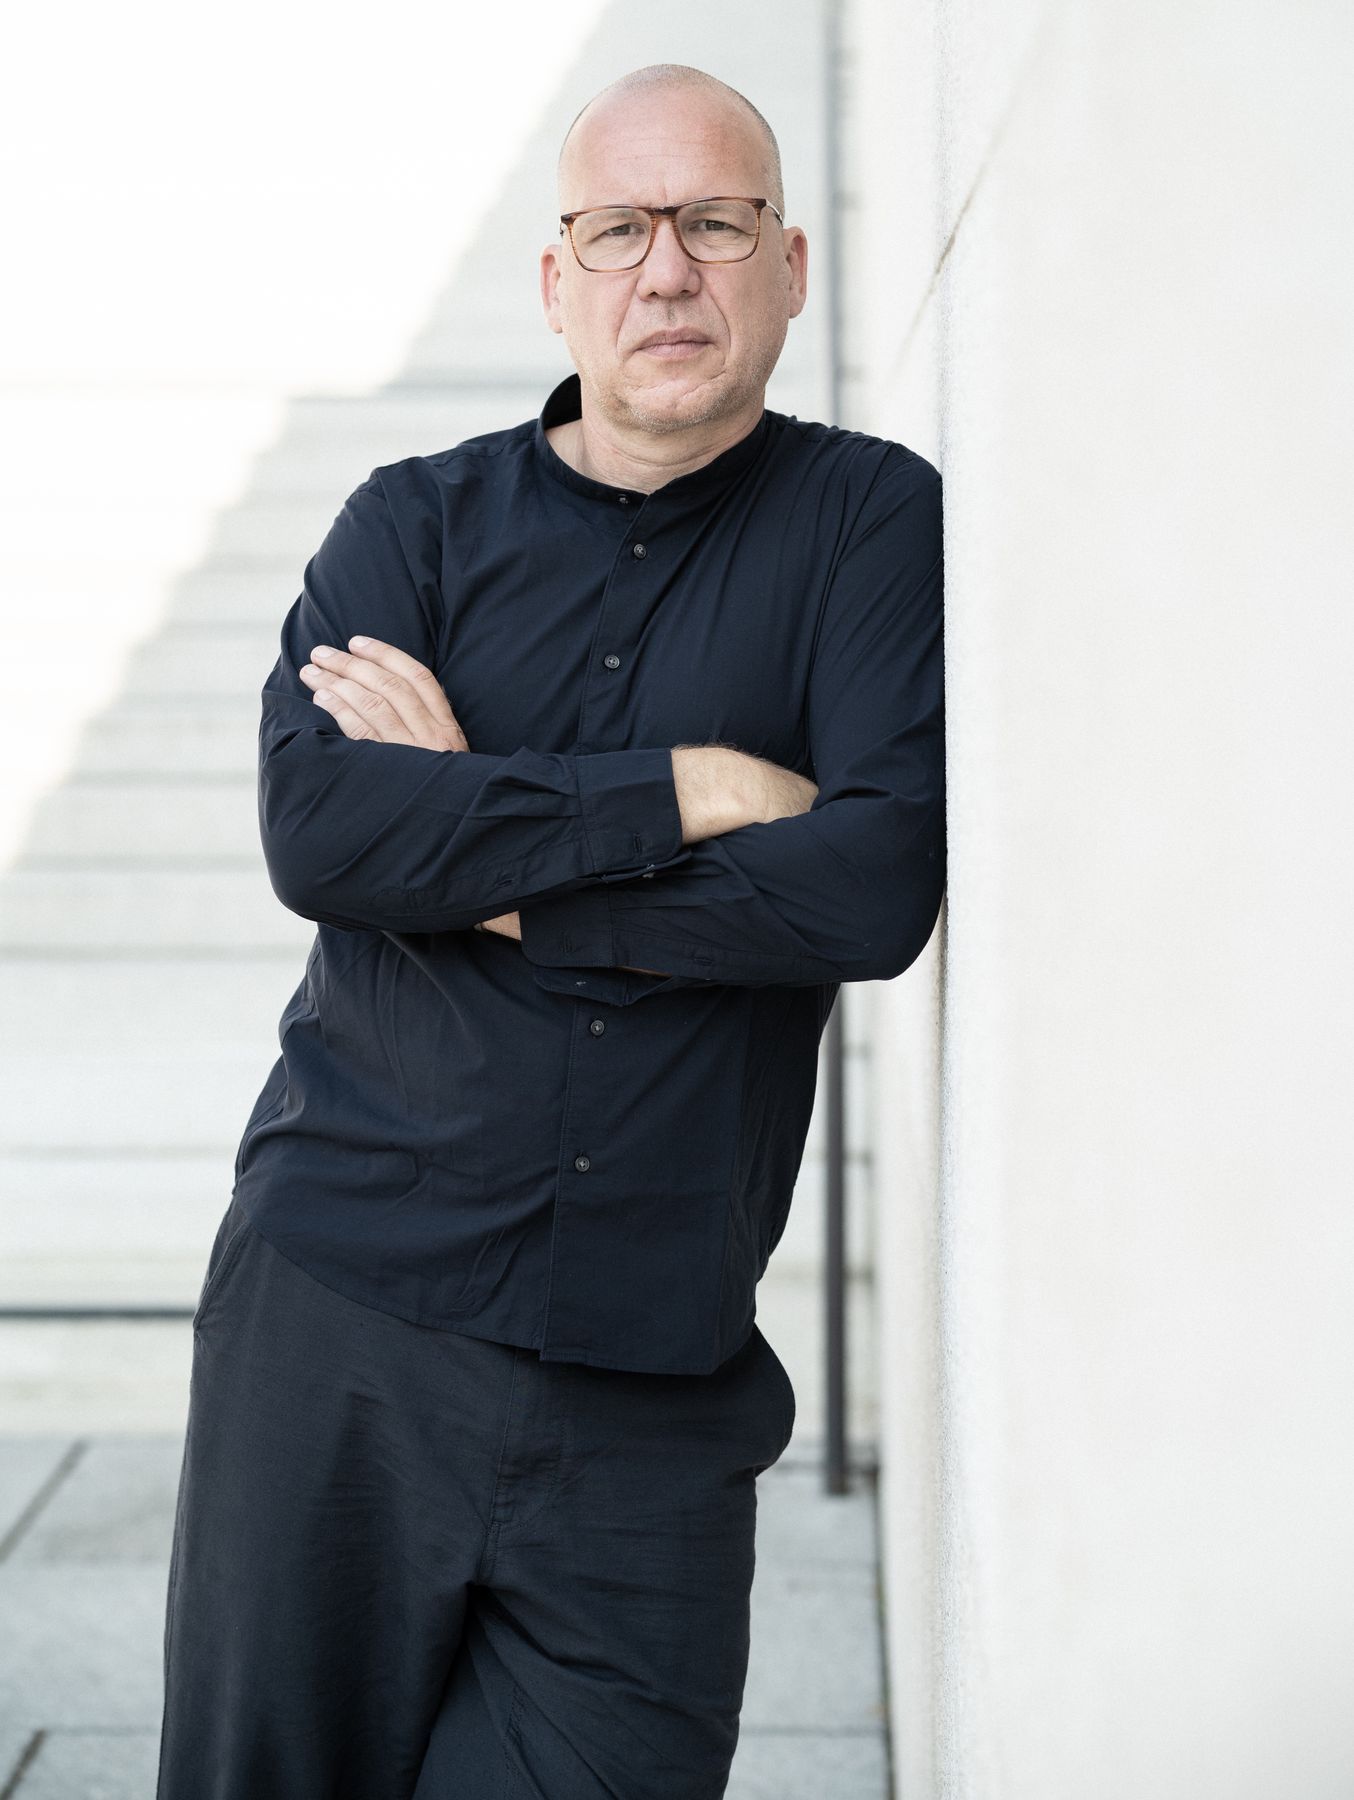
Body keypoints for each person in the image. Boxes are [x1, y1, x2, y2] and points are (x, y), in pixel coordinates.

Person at [156, 60, 945, 1800]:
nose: (666, 271)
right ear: (555, 278)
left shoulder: (869, 520)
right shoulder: (410, 525)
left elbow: (871, 886)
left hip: (652, 1373)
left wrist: (478, 849)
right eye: (618, 230)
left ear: (789, 267)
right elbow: (325, 832)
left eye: (715, 223)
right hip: (338, 1326)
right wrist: (692, 786)